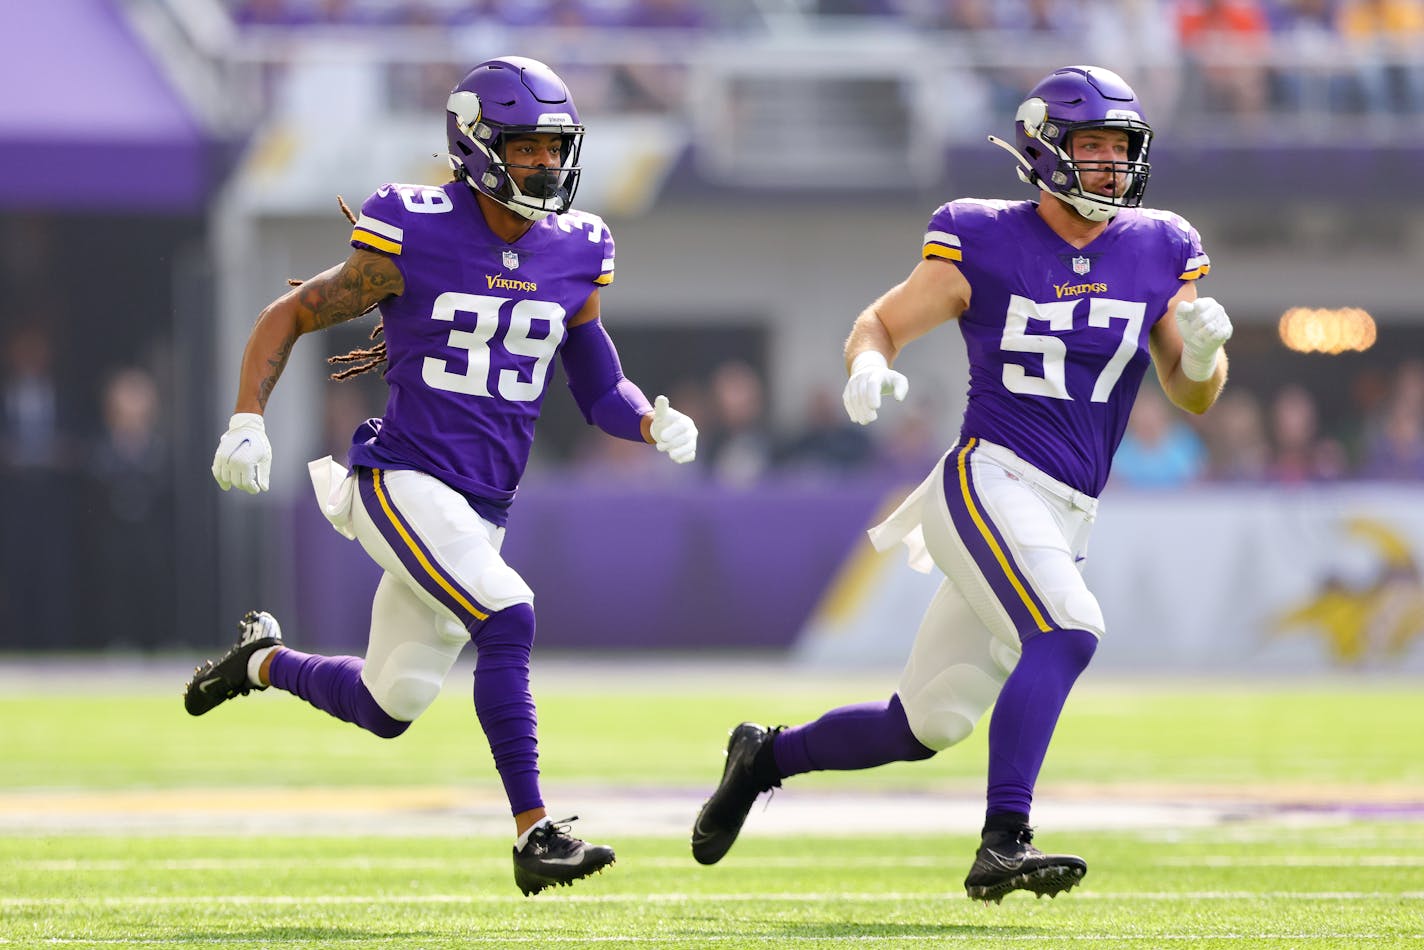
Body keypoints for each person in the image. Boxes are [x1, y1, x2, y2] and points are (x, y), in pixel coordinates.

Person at [690, 65, 1233, 903]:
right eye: (1091, 147)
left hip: (1067, 509)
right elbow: (882, 321)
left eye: (1120, 150)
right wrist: (868, 362)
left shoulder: (1159, 244)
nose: (1110, 167)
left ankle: (762, 756)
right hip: (989, 479)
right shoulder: (982, 235)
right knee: (1068, 628)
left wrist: (1201, 353)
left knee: (923, 723)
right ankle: (1004, 842)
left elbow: (1194, 395)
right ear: (1044, 150)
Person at [186, 56, 698, 897]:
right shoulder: (413, 226)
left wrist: (649, 419)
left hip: (479, 507)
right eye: (525, 147)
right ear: (475, 145)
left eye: (553, 147)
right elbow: (292, 313)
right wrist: (247, 416)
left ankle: (260, 661)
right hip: (401, 478)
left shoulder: (579, 247)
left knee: (389, 707)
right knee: (509, 613)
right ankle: (536, 834)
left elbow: (599, 385)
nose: (544, 163)